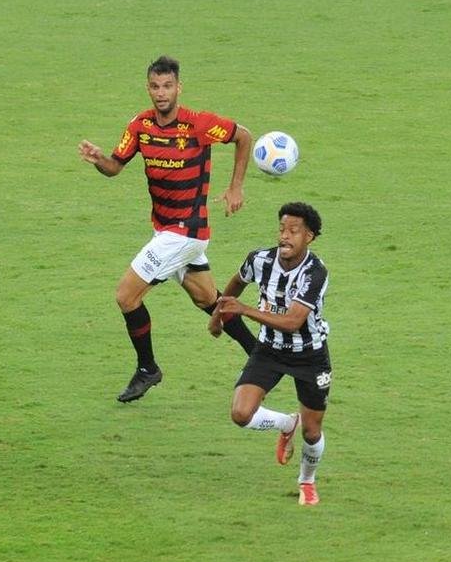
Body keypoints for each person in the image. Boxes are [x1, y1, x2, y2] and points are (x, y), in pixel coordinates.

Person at [78, 56, 258, 403]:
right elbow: (116, 167)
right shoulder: (140, 125)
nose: (161, 93)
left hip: (186, 232)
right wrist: (100, 159)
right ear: (148, 88)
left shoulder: (199, 124)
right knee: (208, 298)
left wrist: (236, 187)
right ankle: (258, 353)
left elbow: (244, 137)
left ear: (179, 88)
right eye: (155, 86)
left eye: (168, 86)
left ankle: (148, 368)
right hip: (166, 232)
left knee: (125, 296)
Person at [209, 202, 331, 507]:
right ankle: (286, 424)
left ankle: (307, 480)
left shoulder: (315, 273)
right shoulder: (260, 259)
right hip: (269, 350)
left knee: (313, 431)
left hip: (309, 355)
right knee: (240, 414)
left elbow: (293, 322)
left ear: (309, 237)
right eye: (281, 229)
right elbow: (237, 281)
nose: (285, 237)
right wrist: (218, 313)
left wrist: (244, 310)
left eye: (293, 231)